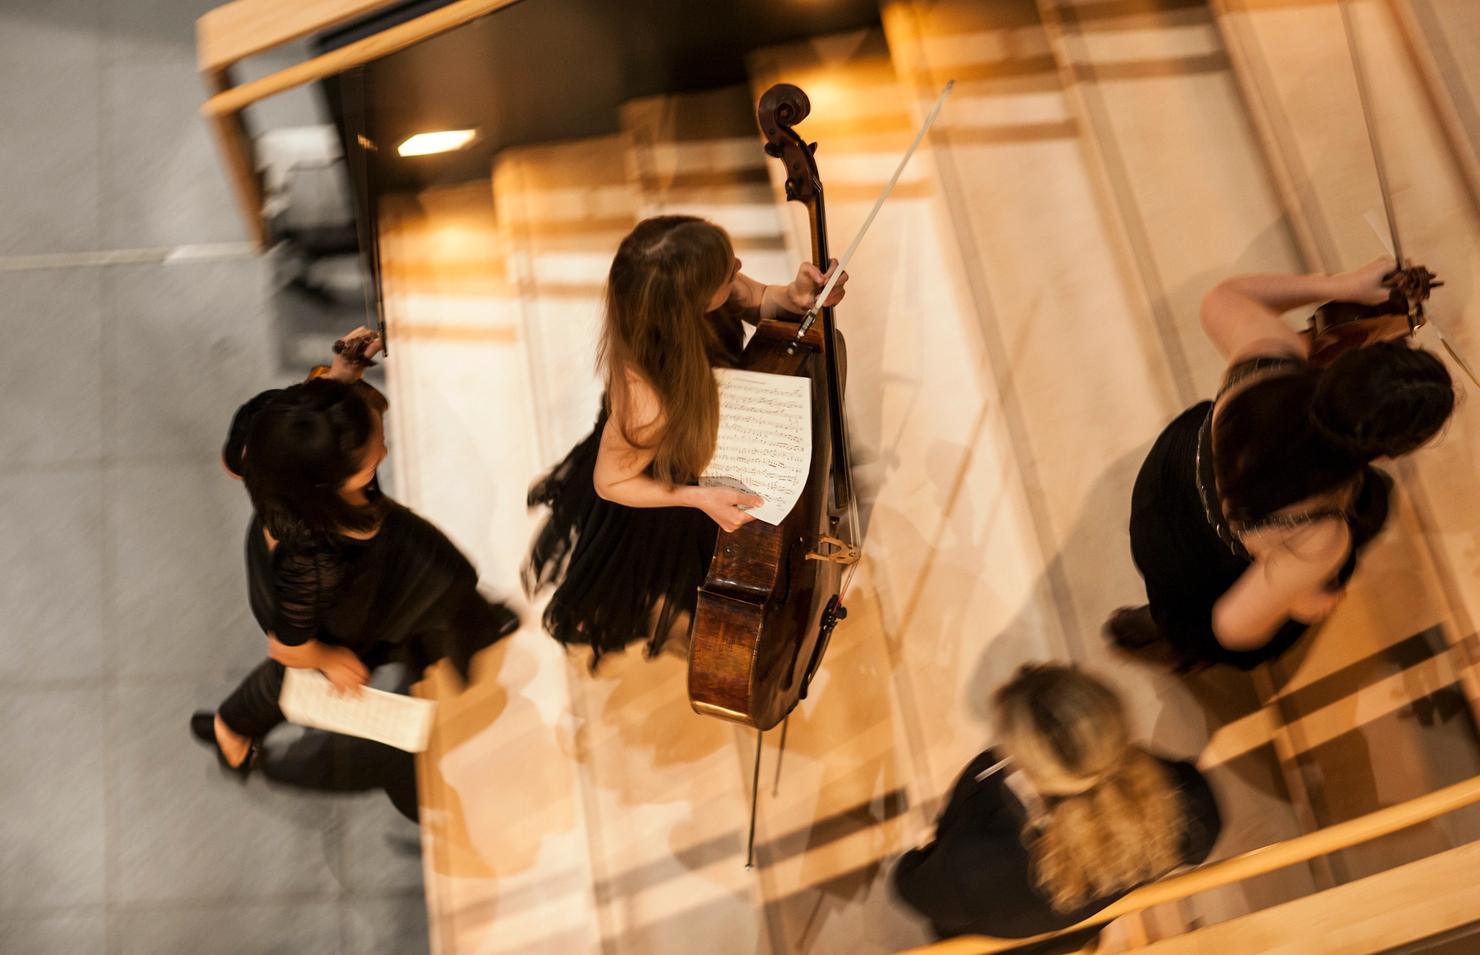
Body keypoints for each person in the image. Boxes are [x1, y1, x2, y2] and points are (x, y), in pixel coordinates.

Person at [191, 327, 518, 779]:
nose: (383, 449)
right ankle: (233, 724)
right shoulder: (315, 562)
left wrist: (344, 374)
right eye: (373, 455)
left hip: (358, 574)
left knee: (422, 600)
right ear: (329, 480)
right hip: (332, 610)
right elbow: (288, 647)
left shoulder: (282, 446)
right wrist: (329, 659)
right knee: (304, 676)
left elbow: (304, 423)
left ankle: (448, 625)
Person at [524, 215, 847, 666]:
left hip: (703, 428)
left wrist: (792, 297)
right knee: (669, 573)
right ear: (689, 306)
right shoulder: (646, 400)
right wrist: (698, 498)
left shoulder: (693, 284)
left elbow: (754, 297)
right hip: (664, 476)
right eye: (725, 270)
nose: (737, 265)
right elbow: (611, 483)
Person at [1108, 260, 1455, 670]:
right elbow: (1233, 626)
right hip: (1197, 565)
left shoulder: (1267, 362)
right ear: (1386, 451)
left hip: (1166, 492)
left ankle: (1161, 615)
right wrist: (1305, 602)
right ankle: (1171, 629)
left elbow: (1221, 299)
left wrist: (1343, 285)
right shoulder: (1320, 534)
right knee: (1372, 507)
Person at [892, 665, 1221, 952]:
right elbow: (1200, 843)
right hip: (1072, 937)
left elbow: (909, 883)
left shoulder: (974, 860)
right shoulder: (1184, 799)